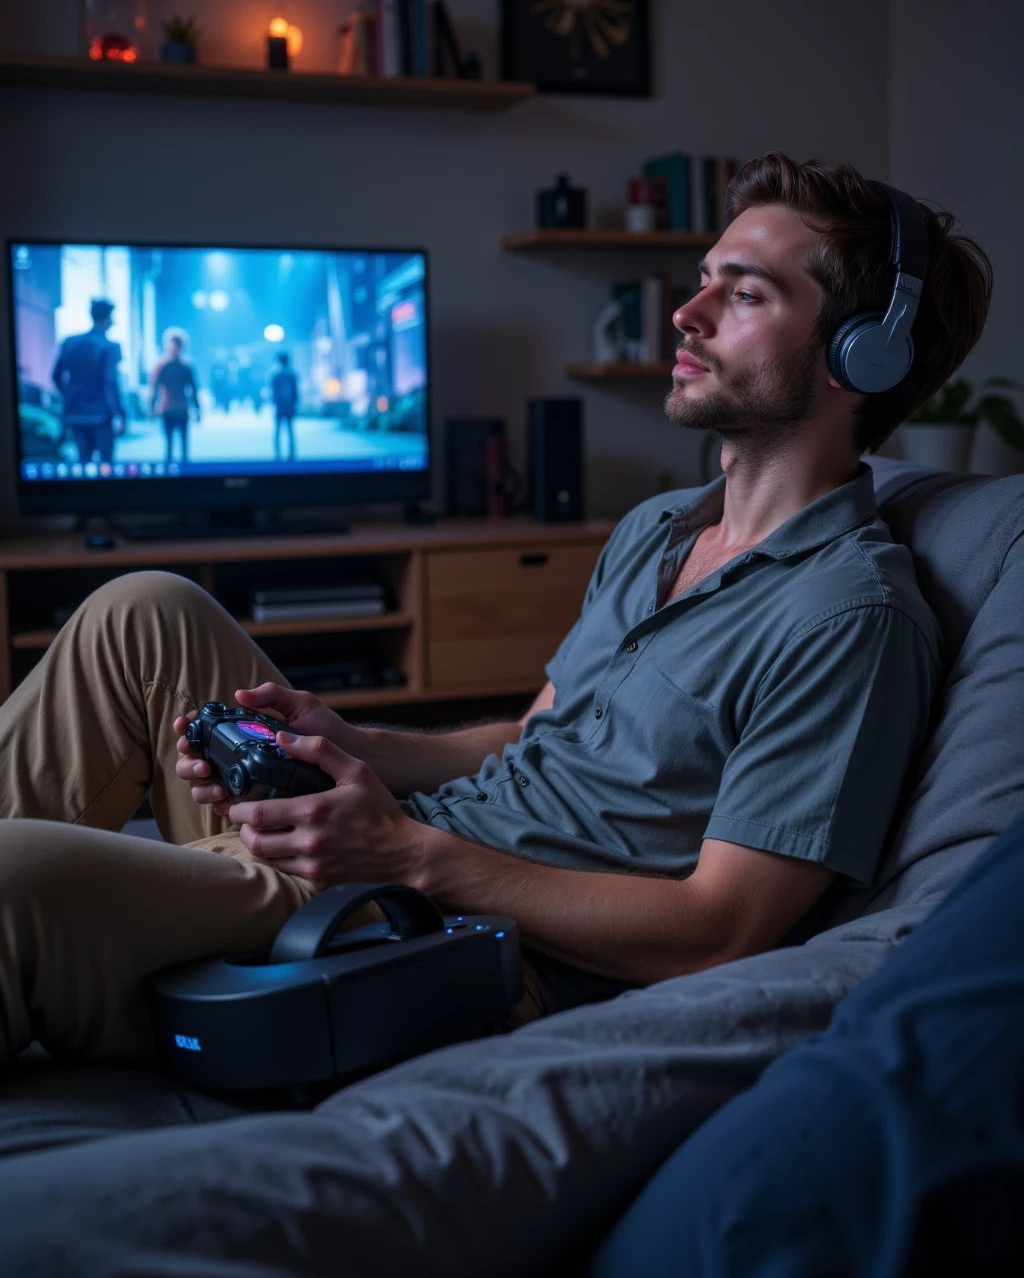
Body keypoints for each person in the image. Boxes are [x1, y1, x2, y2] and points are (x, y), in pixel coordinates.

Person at [0, 154, 992, 1066]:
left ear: (859, 357)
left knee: (14, 879)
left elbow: (720, 929)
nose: (686, 314)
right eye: (702, 278)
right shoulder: (655, 528)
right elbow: (533, 736)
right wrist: (351, 741)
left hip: (434, 932)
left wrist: (403, 855)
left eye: (744, 294)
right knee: (146, 609)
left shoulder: (847, 618)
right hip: (400, 844)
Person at [50, 297, 126, 465]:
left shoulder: (70, 342)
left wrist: (69, 396)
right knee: (106, 463)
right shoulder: (110, 347)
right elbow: (111, 383)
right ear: (107, 319)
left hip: (75, 412)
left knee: (83, 462)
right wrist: (120, 413)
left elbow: (55, 376)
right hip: (101, 415)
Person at [149, 328, 200, 464]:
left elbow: (193, 389)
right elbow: (153, 389)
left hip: (182, 409)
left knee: (184, 447)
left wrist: (197, 409)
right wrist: (151, 409)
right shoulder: (161, 365)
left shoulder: (186, 366)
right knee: (169, 446)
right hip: (167, 409)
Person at [268, 349, 299, 460]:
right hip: (289, 406)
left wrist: (275, 403)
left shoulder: (276, 375)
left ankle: (277, 454)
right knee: (290, 430)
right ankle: (291, 454)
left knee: (278, 430)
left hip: (280, 407)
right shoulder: (292, 375)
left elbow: (273, 392)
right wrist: (295, 405)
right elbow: (296, 393)